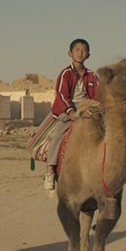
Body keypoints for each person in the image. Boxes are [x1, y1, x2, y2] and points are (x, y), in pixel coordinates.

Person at [44, 39, 98, 190]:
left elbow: (97, 96)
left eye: (84, 50)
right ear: (70, 53)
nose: (80, 53)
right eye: (77, 50)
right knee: (57, 135)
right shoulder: (65, 74)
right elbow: (61, 95)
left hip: (87, 109)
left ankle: (124, 165)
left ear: (89, 55)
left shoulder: (92, 76)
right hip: (68, 109)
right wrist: (71, 112)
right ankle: (50, 170)